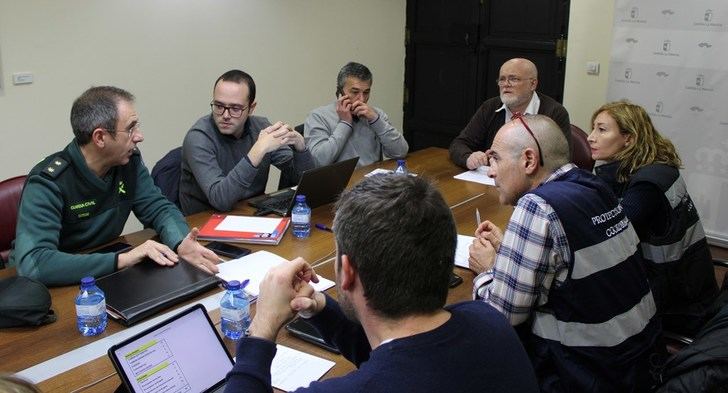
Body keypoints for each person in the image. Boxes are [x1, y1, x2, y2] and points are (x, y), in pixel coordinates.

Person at [225, 175, 539, 392]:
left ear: (346, 272)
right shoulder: (489, 320)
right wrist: (321, 309)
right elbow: (399, 361)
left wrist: (262, 328)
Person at [468, 114, 659, 392]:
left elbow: (502, 318)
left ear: (529, 160)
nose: (490, 171)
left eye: (495, 159)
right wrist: (511, 251)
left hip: (585, 374)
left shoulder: (537, 205)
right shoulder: (594, 186)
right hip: (639, 361)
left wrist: (488, 270)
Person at [10, 86, 219, 286]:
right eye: (130, 129)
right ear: (100, 137)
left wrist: (180, 242)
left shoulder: (128, 163)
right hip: (50, 287)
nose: (139, 136)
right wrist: (122, 260)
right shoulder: (49, 181)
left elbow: (158, 208)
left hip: (103, 274)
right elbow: (35, 264)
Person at [589, 101, 719, 336]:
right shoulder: (648, 167)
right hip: (683, 283)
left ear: (629, 138)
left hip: (678, 303)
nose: (590, 137)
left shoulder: (648, 183)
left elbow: (608, 229)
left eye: (601, 129)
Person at [180, 70, 315, 215]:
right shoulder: (198, 137)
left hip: (250, 214)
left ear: (251, 108)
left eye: (235, 108)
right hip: (204, 222)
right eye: (219, 106)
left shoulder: (260, 127)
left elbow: (301, 181)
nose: (225, 115)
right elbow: (220, 199)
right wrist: (258, 149)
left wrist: (300, 148)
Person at [449, 58, 571, 169]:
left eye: (513, 79)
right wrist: (469, 158)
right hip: (491, 180)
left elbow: (562, 159)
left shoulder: (554, 112)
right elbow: (459, 144)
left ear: (533, 84)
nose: (506, 84)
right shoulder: (490, 107)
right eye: (502, 79)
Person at [304, 62, 409, 167]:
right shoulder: (318, 117)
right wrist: (345, 123)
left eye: (366, 92)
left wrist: (376, 120)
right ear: (340, 92)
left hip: (372, 179)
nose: (362, 99)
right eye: (355, 92)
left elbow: (400, 152)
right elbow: (318, 162)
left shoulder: (375, 114)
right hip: (341, 181)